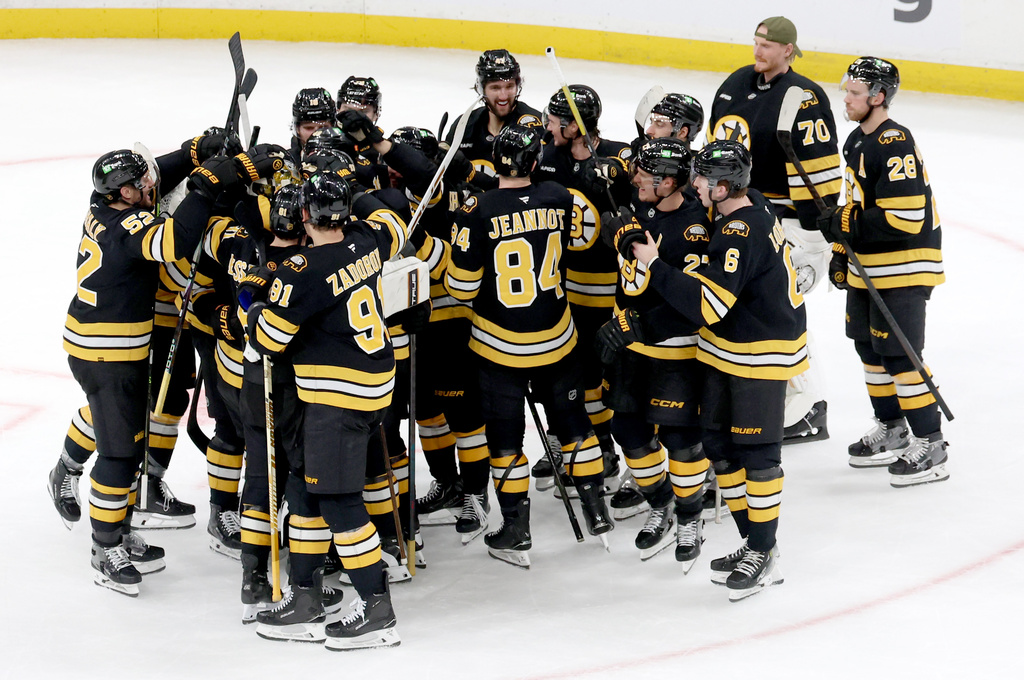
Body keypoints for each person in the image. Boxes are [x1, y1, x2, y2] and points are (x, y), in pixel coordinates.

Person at [59, 143, 273, 596]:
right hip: (107, 351)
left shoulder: (104, 204)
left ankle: (108, 520)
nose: (152, 186)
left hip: (103, 342)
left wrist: (196, 150)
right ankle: (104, 546)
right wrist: (208, 181)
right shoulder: (129, 225)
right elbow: (174, 240)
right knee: (119, 455)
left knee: (128, 434)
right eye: (142, 185)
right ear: (125, 192)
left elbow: (155, 175)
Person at [630, 140, 805, 600]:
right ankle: (755, 542)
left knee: (759, 455)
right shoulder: (747, 207)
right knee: (718, 444)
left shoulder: (738, 233)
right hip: (731, 349)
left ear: (725, 187)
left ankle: (763, 551)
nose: (695, 184)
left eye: (704, 179)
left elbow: (708, 304)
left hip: (761, 354)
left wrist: (654, 266)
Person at [246, 171, 408, 650]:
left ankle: (378, 609)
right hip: (372, 385)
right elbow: (391, 222)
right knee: (305, 491)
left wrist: (252, 306)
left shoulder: (302, 269)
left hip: (339, 397)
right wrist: (353, 188)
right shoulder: (367, 239)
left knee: (338, 501)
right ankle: (306, 597)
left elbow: (269, 339)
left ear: (302, 216)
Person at [444, 124, 614, 567]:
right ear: (534, 162)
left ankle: (516, 528)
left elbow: (461, 287)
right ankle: (596, 509)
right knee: (575, 425)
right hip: (558, 338)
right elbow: (583, 239)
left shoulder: (476, 209)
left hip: (499, 347)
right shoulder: (558, 196)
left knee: (504, 442)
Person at [816, 57, 948, 487]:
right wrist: (841, 248)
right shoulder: (856, 140)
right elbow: (852, 201)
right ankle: (893, 429)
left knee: (901, 356)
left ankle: (932, 442)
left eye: (854, 92)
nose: (846, 98)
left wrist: (847, 225)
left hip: (905, 267)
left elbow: (908, 216)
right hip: (869, 265)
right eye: (846, 89)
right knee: (868, 350)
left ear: (878, 97)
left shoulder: (893, 142)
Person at [707, 16, 838, 443]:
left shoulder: (804, 97)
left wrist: (824, 236)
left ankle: (808, 408)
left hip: (792, 228)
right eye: (756, 41)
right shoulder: (734, 83)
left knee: (778, 309)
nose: (759, 50)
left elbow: (821, 182)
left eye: (768, 44)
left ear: (788, 50)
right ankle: (779, 403)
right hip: (746, 220)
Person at [598, 137, 711, 571]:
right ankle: (662, 503)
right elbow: (614, 222)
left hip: (675, 354)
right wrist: (617, 224)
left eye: (645, 173)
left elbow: (693, 304)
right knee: (628, 432)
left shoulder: (693, 229)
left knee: (682, 442)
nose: (636, 177)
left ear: (668, 182)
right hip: (632, 351)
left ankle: (689, 518)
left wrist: (637, 323)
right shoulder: (641, 202)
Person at [533, 84, 632, 494]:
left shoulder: (618, 151)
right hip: (559, 289)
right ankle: (576, 441)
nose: (547, 127)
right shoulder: (548, 155)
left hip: (605, 294)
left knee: (598, 378)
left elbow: (634, 182)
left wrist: (614, 175)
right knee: (561, 375)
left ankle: (605, 449)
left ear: (576, 126)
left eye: (555, 122)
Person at [446, 49, 543, 191]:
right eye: (495, 88)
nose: (503, 96)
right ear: (482, 89)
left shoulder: (533, 126)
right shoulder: (465, 125)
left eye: (509, 86)